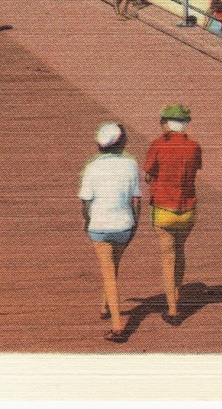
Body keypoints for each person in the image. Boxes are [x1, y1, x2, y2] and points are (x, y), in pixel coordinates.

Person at [79, 121, 142, 343]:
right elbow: (136, 200)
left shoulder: (92, 166)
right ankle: (104, 305)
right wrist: (135, 224)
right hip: (124, 226)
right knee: (113, 267)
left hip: (100, 226)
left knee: (108, 273)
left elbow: (86, 201)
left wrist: (87, 222)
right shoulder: (131, 164)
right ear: (122, 143)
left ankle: (117, 326)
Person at [143, 104, 203, 326]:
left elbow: (149, 175)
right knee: (180, 251)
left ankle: (173, 310)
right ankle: (176, 295)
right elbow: (195, 174)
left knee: (168, 257)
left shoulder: (158, 145)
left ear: (166, 123)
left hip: (163, 209)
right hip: (187, 210)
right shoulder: (194, 147)